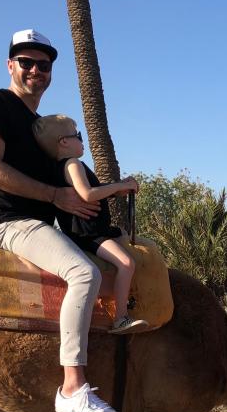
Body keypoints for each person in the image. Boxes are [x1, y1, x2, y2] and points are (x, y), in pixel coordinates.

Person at [0, 28, 120, 412]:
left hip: (41, 223)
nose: (36, 69)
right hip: (7, 222)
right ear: (10, 65)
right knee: (82, 273)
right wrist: (56, 197)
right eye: (27, 62)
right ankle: (72, 388)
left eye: (44, 64)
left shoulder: (40, 125)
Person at [33, 114, 147, 334]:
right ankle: (121, 317)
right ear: (64, 142)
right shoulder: (73, 164)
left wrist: (116, 188)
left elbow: (90, 190)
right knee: (127, 263)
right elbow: (87, 194)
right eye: (78, 135)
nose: (81, 140)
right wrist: (116, 187)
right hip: (90, 234)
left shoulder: (62, 167)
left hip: (89, 232)